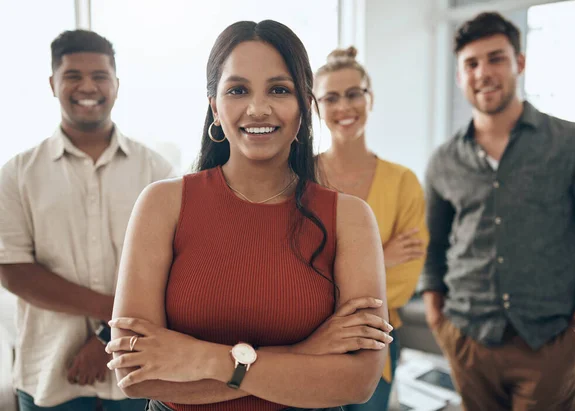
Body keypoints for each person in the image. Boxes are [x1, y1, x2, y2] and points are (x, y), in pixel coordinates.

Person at [105, 20, 391, 411]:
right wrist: (305, 353)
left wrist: (204, 359)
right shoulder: (163, 203)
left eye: (279, 89)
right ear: (215, 109)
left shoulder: (350, 217)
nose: (258, 108)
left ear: (305, 108)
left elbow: (357, 381)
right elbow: (136, 374)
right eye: (238, 90)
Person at [419, 11, 575, 411]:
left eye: (495, 58)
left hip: (551, 344)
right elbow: (432, 250)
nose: (483, 72)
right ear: (459, 76)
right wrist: (438, 320)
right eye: (471, 63)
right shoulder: (443, 161)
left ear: (519, 63)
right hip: (468, 342)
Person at [0, 30, 176, 410]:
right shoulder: (16, 173)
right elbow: (14, 271)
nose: (87, 87)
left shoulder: (157, 171)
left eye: (99, 76)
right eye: (72, 76)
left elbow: (173, 270)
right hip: (48, 376)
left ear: (116, 84)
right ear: (52, 84)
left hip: (140, 373)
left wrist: (103, 339)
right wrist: (113, 319)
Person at [313, 46, 428, 410]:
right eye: (330, 98)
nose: (344, 107)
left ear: (370, 98)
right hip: (304, 349)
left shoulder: (403, 183)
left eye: (353, 94)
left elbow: (405, 279)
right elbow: (285, 270)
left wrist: (326, 277)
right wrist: (380, 257)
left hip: (375, 350)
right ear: (316, 106)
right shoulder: (299, 178)